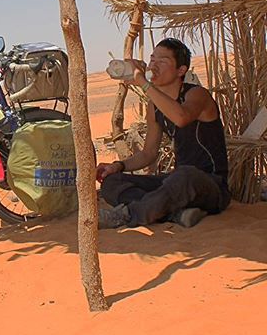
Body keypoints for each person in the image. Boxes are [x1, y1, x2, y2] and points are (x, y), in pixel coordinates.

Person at [97, 38, 231, 229]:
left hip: (209, 185)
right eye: (152, 59)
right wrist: (118, 166)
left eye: (162, 60)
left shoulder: (197, 94)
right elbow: (148, 154)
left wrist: (143, 82)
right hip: (176, 183)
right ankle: (175, 213)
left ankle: (128, 216)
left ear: (181, 70)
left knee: (184, 176)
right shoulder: (155, 106)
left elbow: (181, 117)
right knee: (112, 183)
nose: (154, 65)